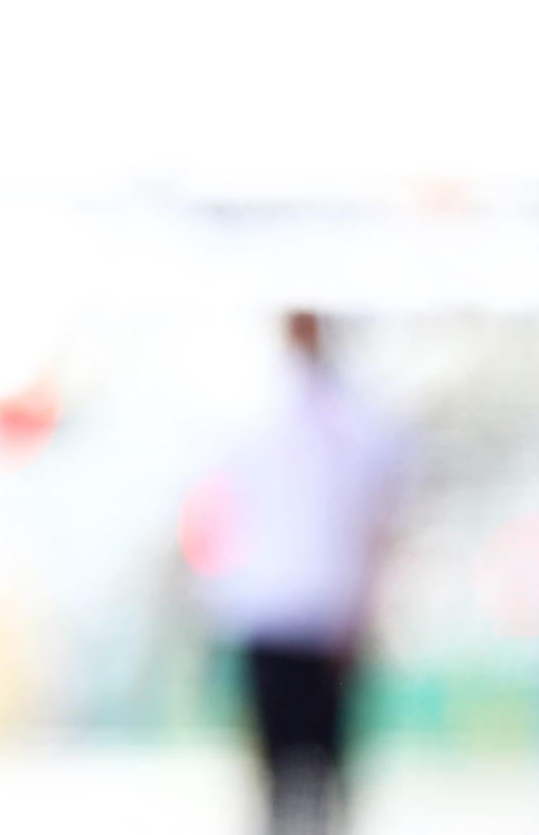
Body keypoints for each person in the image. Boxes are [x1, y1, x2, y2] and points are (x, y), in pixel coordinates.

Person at [191, 311, 409, 835]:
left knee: (317, 776)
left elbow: (375, 524)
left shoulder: (354, 423)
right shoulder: (260, 415)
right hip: (282, 611)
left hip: (320, 614)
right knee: (287, 778)